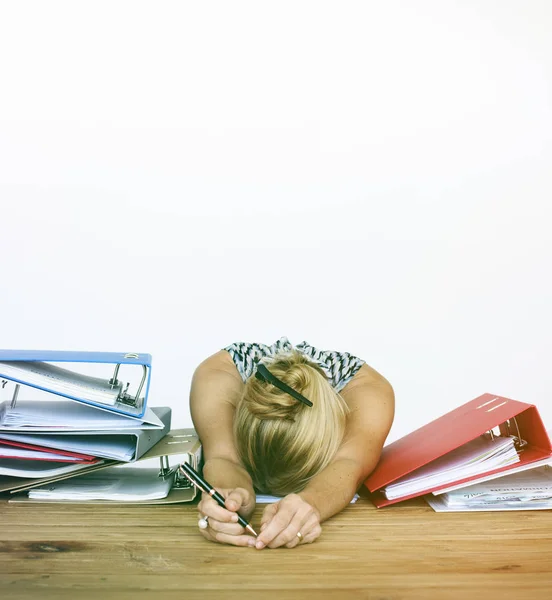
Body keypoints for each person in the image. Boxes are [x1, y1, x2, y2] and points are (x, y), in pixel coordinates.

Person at [189, 337, 394, 550]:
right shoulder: (214, 378)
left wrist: (312, 502)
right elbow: (224, 457)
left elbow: (349, 464)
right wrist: (229, 494)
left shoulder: (371, 394)